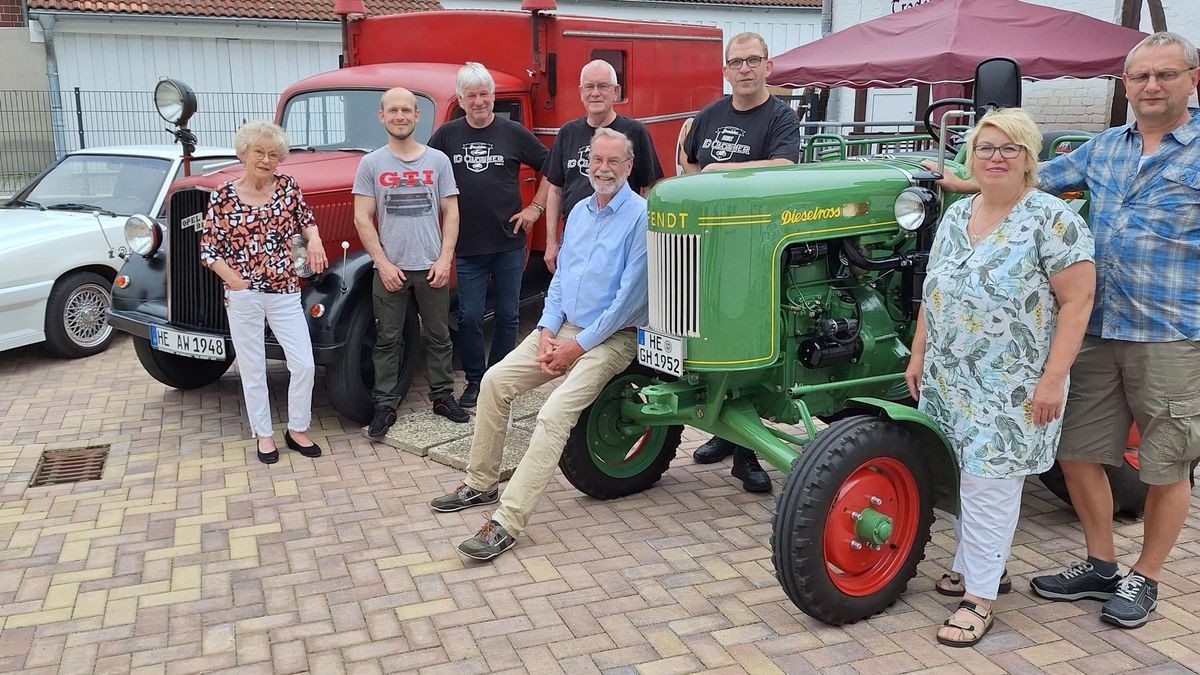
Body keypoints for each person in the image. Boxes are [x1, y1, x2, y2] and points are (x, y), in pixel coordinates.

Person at [934, 32, 1200, 630]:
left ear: (1192, 79)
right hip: (1099, 325)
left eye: (1165, 75)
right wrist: (961, 180)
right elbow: (1034, 175)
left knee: (1167, 462)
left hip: (1172, 328)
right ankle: (1102, 563)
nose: (1151, 86)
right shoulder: (1104, 147)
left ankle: (1147, 577)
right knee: (1078, 451)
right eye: (1140, 77)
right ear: (1126, 86)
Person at [906, 108, 1095, 647]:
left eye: (1008, 148)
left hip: (1010, 382)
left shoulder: (1052, 219)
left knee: (991, 483)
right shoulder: (956, 213)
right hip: (950, 376)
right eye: (985, 148)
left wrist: (1054, 377)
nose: (994, 157)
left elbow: (1078, 300)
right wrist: (919, 356)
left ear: (1029, 160)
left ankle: (980, 599)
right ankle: (978, 567)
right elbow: (933, 294)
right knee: (964, 476)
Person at [429, 128, 648, 561]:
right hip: (562, 329)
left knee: (552, 415)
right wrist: (549, 329)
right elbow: (563, 276)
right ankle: (481, 483)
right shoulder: (581, 210)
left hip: (612, 339)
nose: (603, 169)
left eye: (612, 162)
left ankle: (506, 523)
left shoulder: (642, 217)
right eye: (596, 161)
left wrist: (577, 346)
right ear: (588, 163)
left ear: (628, 167)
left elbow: (629, 300)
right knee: (494, 382)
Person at [682, 31, 801, 493]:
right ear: (726, 70)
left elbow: (784, 168)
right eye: (737, 62)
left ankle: (747, 453)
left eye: (753, 60)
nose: (745, 69)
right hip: (712, 247)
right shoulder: (709, 115)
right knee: (711, 339)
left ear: (768, 66)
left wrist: (719, 173)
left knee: (749, 345)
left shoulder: (780, 117)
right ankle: (722, 433)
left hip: (759, 250)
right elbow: (689, 165)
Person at [200, 120, 328, 464]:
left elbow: (306, 220)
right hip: (244, 294)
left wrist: (313, 238)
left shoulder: (288, 187)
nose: (266, 159)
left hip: (284, 289)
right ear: (244, 152)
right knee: (253, 367)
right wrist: (236, 282)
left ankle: (297, 428)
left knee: (303, 363)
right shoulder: (224, 194)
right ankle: (264, 434)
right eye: (259, 151)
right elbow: (209, 249)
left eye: (273, 154)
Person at [428, 63, 551, 409]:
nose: (479, 101)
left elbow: (552, 167)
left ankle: (499, 378)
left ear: (493, 97)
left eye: (485, 94)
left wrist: (535, 210)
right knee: (468, 316)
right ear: (462, 100)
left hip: (509, 242)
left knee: (509, 315)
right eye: (472, 96)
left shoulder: (512, 132)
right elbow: (425, 170)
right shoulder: (447, 136)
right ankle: (474, 381)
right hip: (467, 246)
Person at [354, 87, 468, 436]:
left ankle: (442, 396)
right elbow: (362, 217)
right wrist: (383, 264)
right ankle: (385, 406)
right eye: (393, 111)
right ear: (382, 116)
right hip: (391, 269)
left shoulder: (437, 161)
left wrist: (445, 259)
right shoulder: (371, 163)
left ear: (417, 116)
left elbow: (451, 212)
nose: (400, 116)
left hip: (431, 265)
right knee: (387, 339)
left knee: (439, 335)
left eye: (407, 110)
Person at [542, 59, 663, 272]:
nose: (595, 93)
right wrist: (551, 242)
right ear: (580, 92)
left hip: (620, 239)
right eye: (589, 86)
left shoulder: (634, 131)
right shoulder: (567, 133)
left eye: (602, 86)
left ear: (615, 91)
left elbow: (651, 187)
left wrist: (643, 235)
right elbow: (555, 190)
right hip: (575, 237)